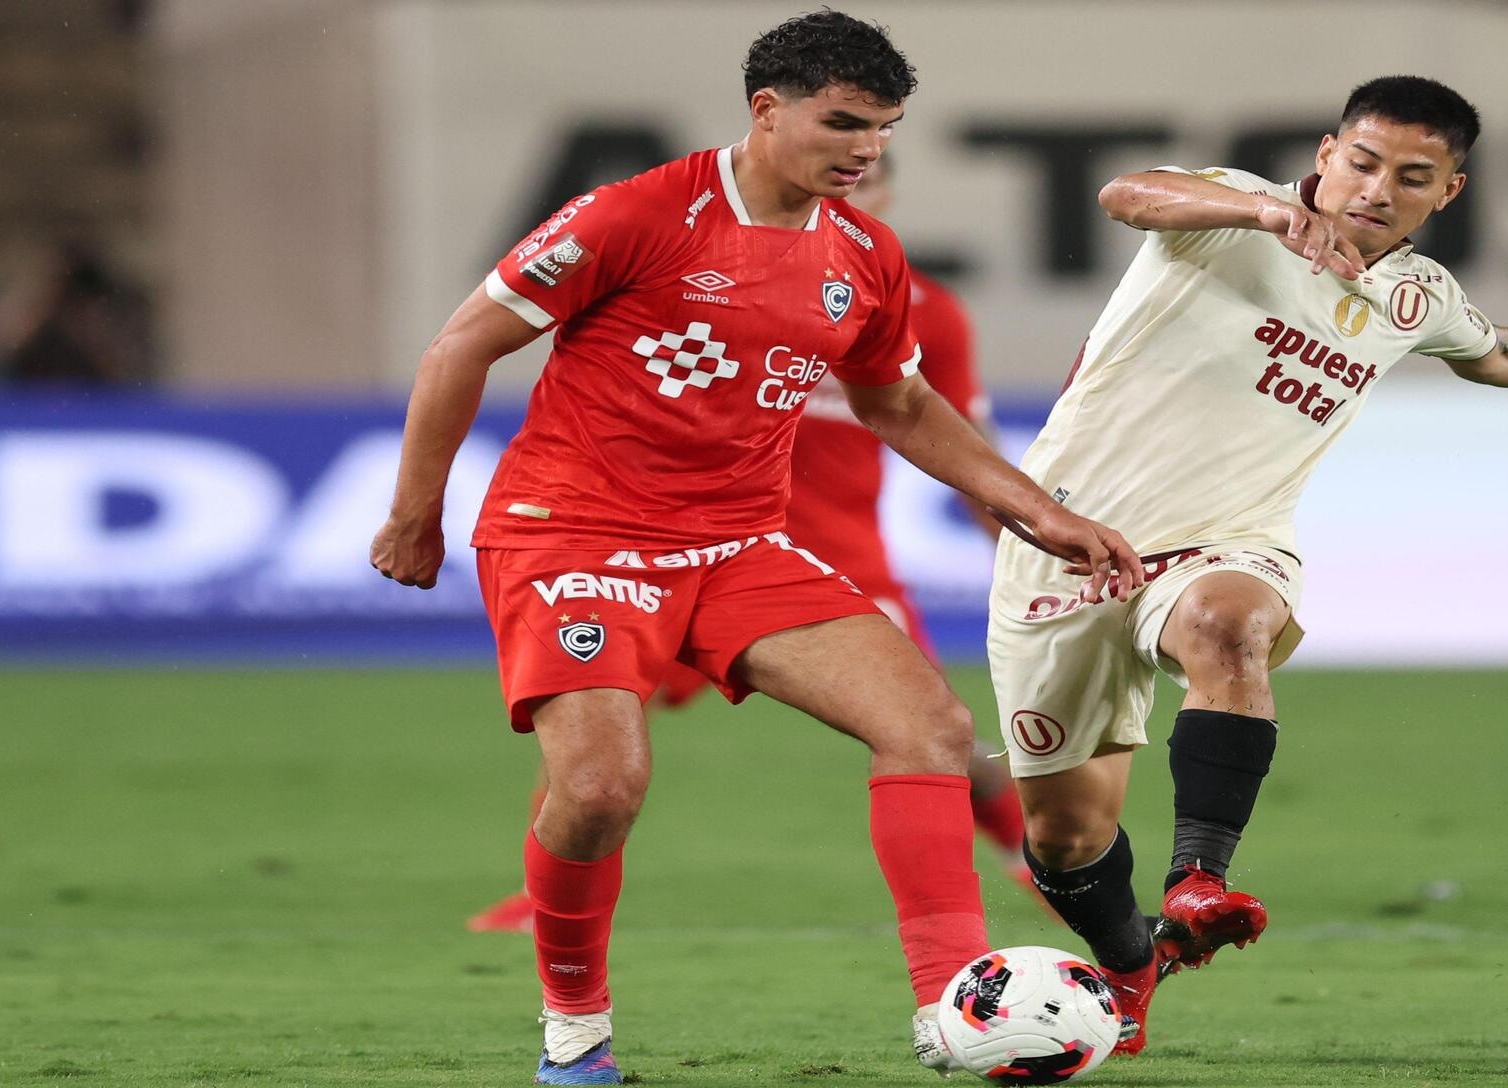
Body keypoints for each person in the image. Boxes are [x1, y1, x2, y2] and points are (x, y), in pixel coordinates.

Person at [368, 12, 1143, 1084]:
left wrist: (1035, 507)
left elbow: (903, 403)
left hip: (737, 544)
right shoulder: (636, 212)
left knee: (929, 724)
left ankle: (957, 1004)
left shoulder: (863, 253)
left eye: (883, 129)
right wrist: (418, 512)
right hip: (575, 532)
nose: (866, 150)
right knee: (598, 787)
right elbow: (464, 343)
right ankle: (574, 1029)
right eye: (844, 122)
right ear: (765, 110)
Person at [986, 75, 1508, 1056]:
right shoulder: (1229, 212)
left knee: (1228, 624)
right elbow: (1126, 194)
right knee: (1067, 841)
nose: (1376, 188)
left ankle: (1199, 877)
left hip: (1226, 537)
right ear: (1327, 153)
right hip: (1066, 547)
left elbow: (1492, 349)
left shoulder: (1417, 295)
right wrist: (1260, 208)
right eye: (1362, 162)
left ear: (1448, 191)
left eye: (1412, 176)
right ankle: (1131, 955)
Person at [464, 156, 1040, 937]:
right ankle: (545, 903)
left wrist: (1019, 546)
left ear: (886, 193)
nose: (845, 196)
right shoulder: (713, 267)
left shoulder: (912, 304)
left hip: (841, 557)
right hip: (683, 544)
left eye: (868, 182)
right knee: (599, 728)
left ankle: (1025, 860)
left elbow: (956, 436)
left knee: (937, 728)